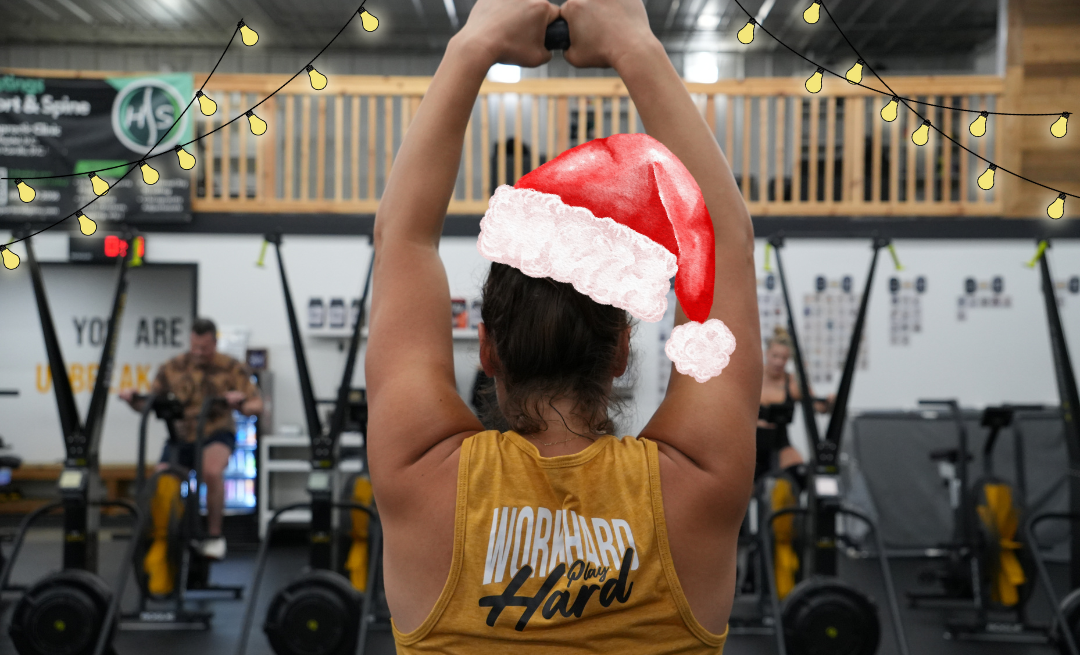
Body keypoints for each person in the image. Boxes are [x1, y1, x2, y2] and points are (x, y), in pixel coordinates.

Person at [365, 0, 759, 652]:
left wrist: (473, 45)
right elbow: (726, 244)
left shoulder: (420, 471)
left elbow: (401, 238)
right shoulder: (696, 480)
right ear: (621, 348)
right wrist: (637, 48)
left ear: (487, 348)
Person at [119, 318, 262, 560]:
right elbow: (150, 402)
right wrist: (133, 399)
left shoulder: (231, 367)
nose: (198, 353)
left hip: (215, 432)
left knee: (211, 471)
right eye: (194, 346)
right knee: (162, 477)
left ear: (214, 343)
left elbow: (256, 404)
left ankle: (215, 536)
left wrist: (240, 403)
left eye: (204, 348)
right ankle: (166, 534)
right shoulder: (173, 366)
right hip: (181, 436)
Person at [756, 326, 835, 483]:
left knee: (799, 475)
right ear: (766, 353)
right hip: (752, 445)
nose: (779, 362)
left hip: (780, 444)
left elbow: (818, 407)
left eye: (784, 358)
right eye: (775, 356)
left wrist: (830, 404)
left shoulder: (792, 383)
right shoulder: (753, 377)